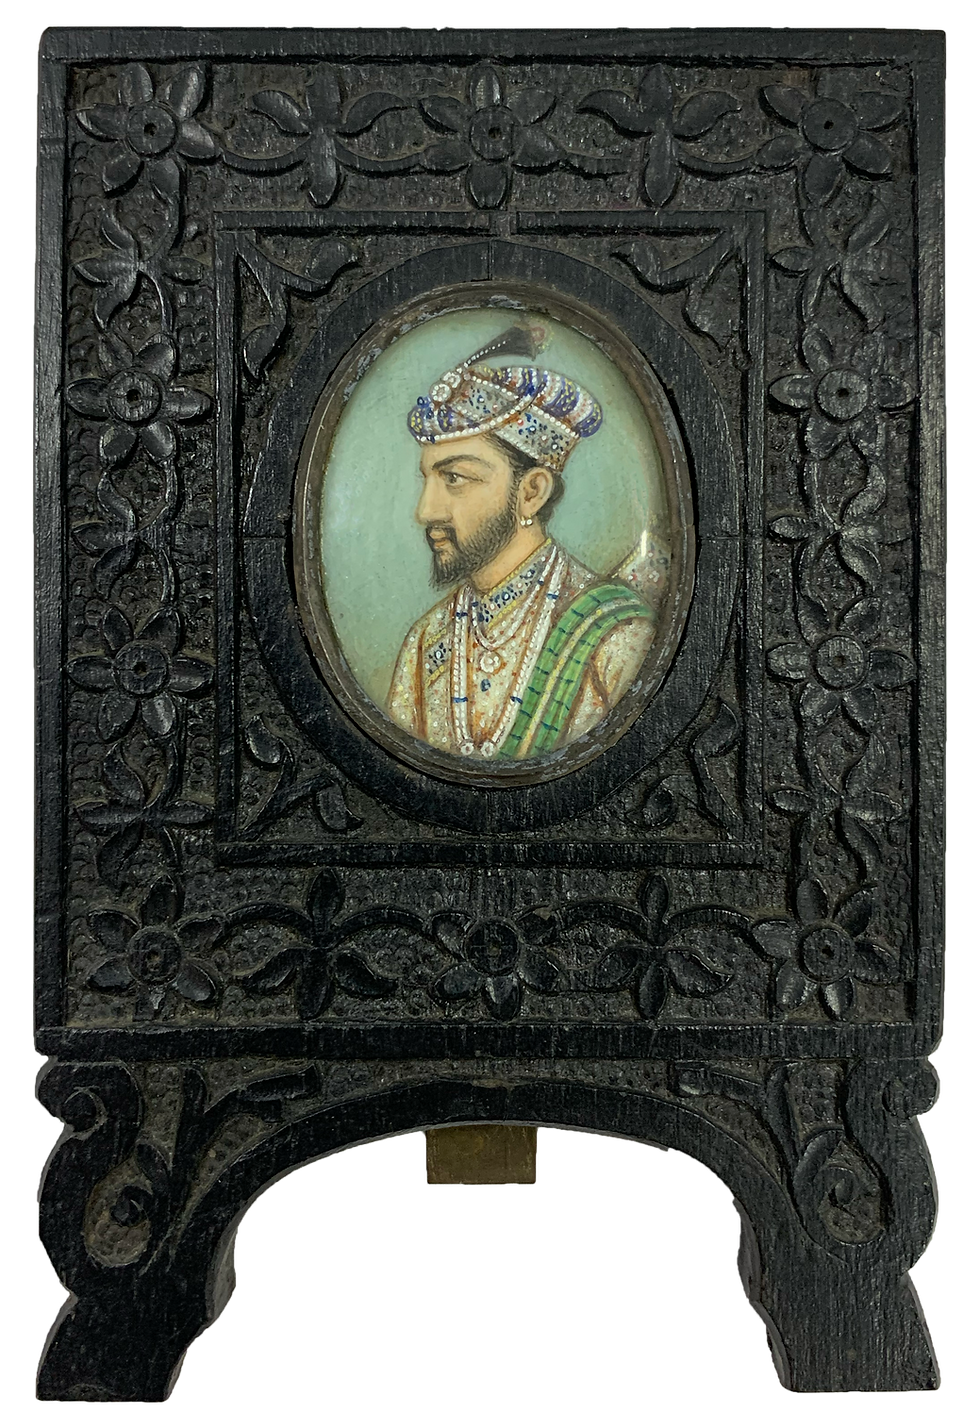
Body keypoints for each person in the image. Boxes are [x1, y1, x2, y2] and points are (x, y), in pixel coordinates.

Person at [387, 325, 656, 761]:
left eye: (455, 478)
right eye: (428, 478)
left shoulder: (615, 636)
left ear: (532, 492)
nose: (426, 511)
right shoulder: (425, 643)